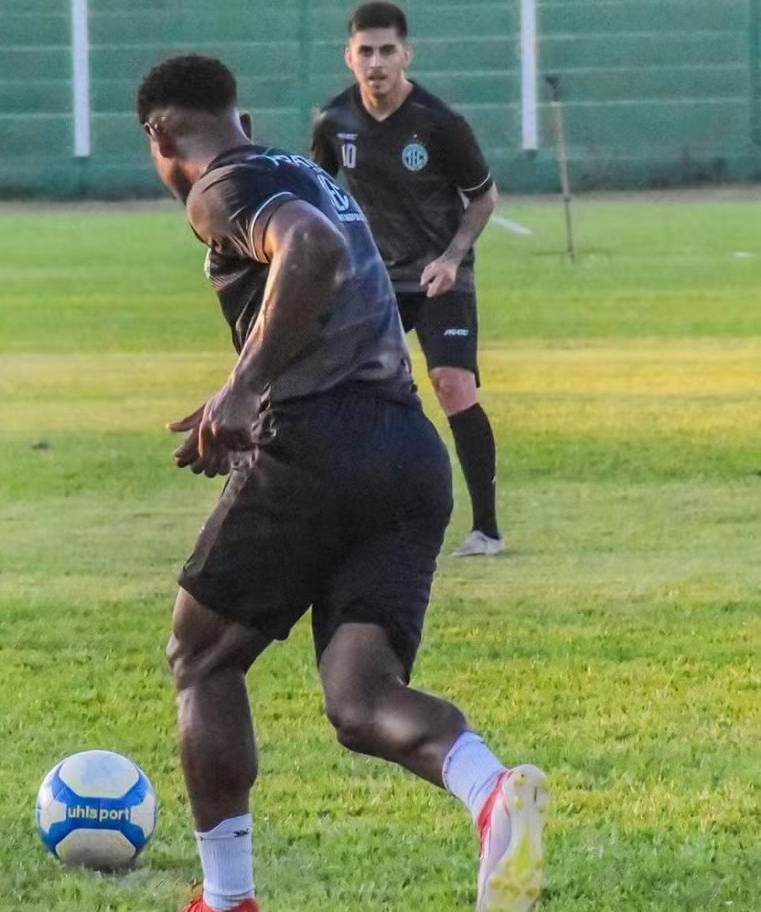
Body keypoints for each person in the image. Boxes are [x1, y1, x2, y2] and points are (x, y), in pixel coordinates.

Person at [137, 53, 547, 912]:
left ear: (161, 137)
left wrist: (246, 386)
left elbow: (311, 250)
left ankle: (225, 898)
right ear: (241, 116)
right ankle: (490, 792)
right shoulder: (294, 168)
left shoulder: (219, 184)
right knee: (362, 700)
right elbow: (322, 260)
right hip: (407, 452)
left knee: (201, 658)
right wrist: (243, 381)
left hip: (316, 447)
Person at [312, 2, 505, 557]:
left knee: (451, 385)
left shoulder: (439, 123)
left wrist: (451, 257)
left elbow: (483, 198)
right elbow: (321, 197)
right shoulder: (333, 121)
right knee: (357, 392)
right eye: (365, 51)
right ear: (349, 57)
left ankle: (486, 530)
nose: (376, 62)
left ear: (406, 55)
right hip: (375, 279)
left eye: (387, 51)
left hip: (441, 274)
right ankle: (358, 518)